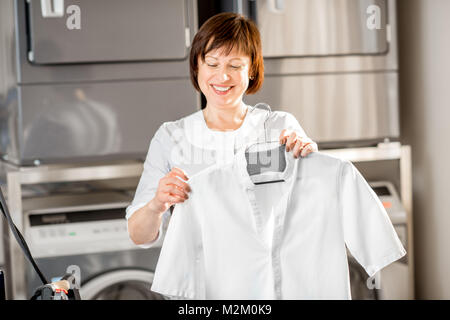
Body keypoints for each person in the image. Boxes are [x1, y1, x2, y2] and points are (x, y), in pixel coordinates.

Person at [126, 12, 318, 247]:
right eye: (212, 63)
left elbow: (315, 206)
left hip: (270, 275)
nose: (222, 76)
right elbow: (139, 235)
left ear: (252, 70)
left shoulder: (280, 127)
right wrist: (156, 205)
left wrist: (310, 161)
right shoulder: (171, 136)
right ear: (197, 66)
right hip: (202, 278)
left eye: (235, 65)